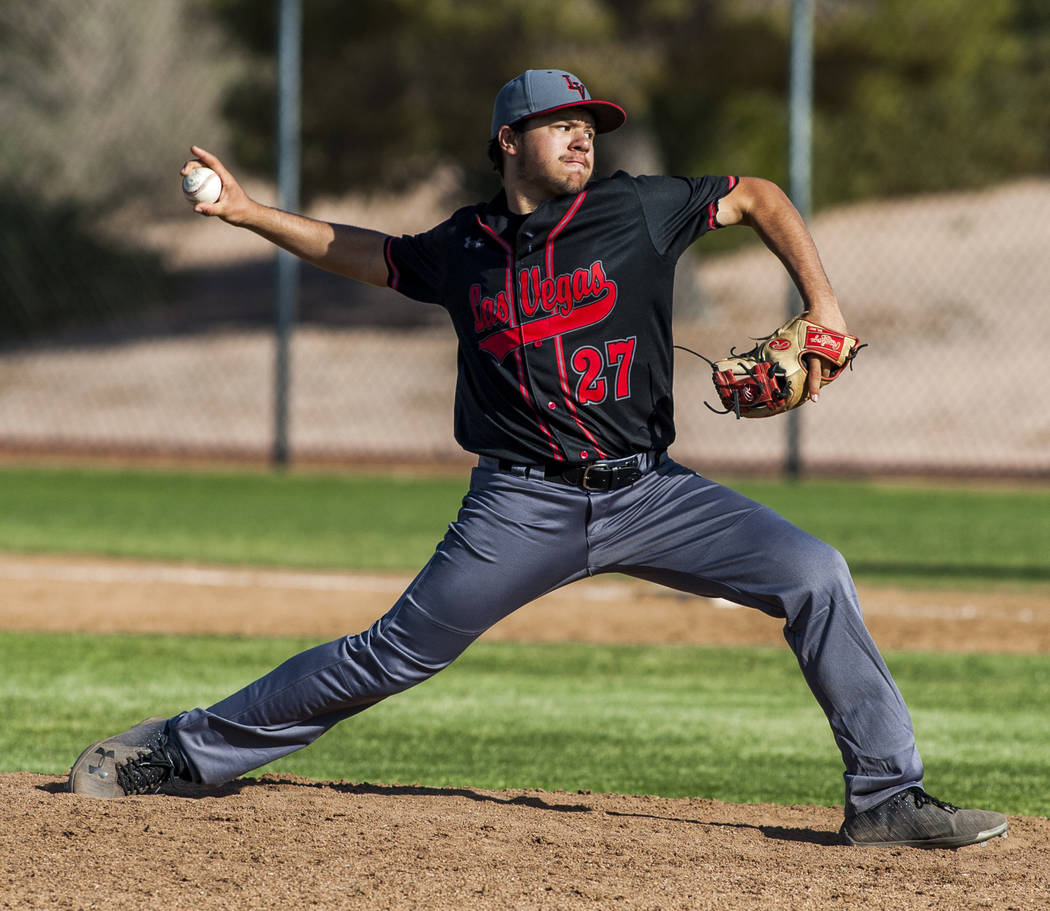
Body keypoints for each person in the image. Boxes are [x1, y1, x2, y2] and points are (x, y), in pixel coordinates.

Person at [69, 68, 1007, 849]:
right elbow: (370, 253)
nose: (582, 137)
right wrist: (246, 213)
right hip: (519, 507)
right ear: (507, 142)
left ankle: (886, 797)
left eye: (590, 125)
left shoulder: (636, 211)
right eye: (559, 124)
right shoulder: (464, 250)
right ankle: (183, 751)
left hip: (653, 492)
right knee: (390, 654)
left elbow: (757, 195)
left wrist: (826, 306)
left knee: (815, 572)